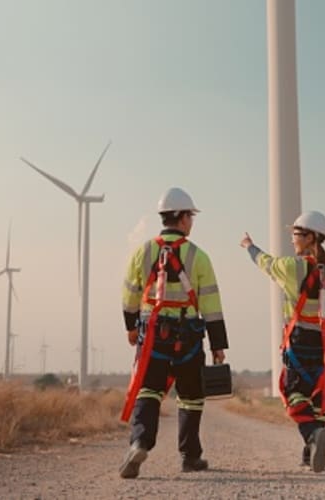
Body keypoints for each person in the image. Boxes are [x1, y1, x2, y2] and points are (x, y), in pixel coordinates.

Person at [119, 187, 229, 479]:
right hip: (189, 334)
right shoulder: (199, 256)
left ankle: (140, 442)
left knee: (148, 390)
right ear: (181, 218)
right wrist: (219, 344)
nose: (191, 222)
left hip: (152, 332)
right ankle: (190, 457)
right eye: (190, 216)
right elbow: (212, 304)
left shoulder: (142, 252)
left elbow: (129, 294)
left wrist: (131, 328)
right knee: (191, 396)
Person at [240, 211, 325, 473]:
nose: (292, 239)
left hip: (301, 341)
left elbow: (265, 262)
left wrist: (249, 246)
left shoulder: (292, 267)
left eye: (295, 234)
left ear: (309, 237)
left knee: (292, 394)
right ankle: (309, 453)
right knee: (318, 395)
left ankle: (314, 435)